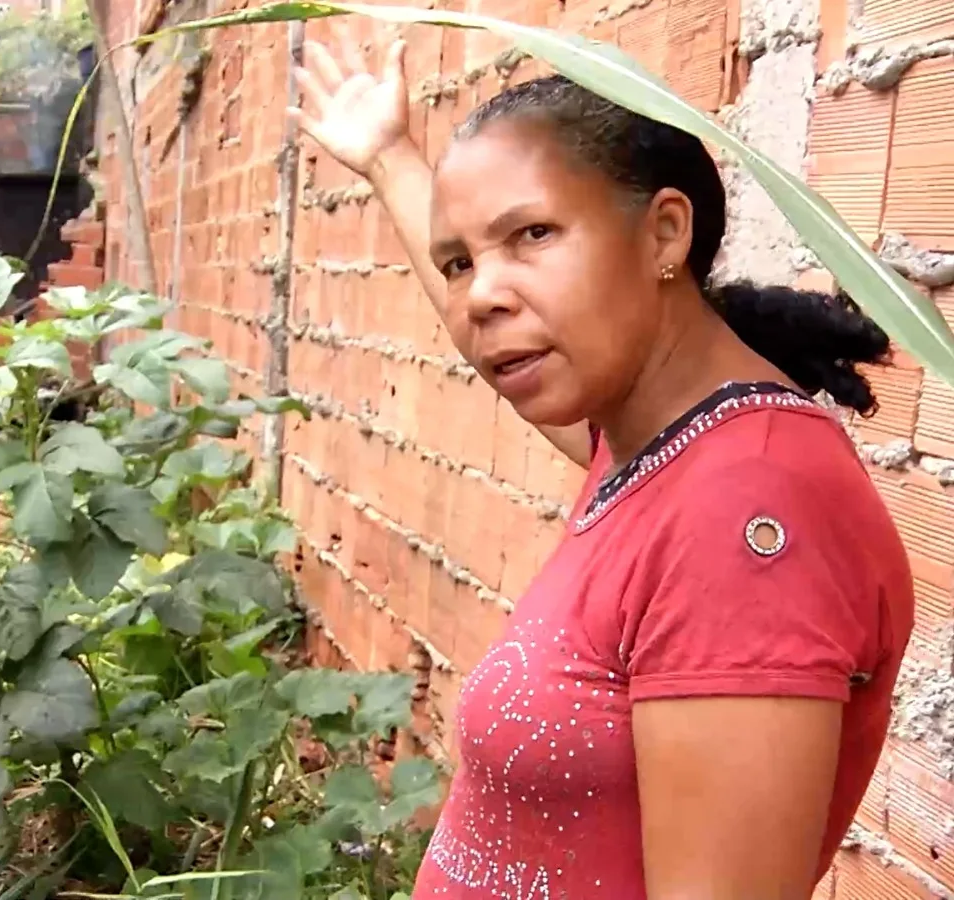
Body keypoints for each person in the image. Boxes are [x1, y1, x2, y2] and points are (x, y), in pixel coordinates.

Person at [289, 24, 915, 900]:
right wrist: (390, 157)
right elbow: (500, 317)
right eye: (461, 264)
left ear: (665, 233)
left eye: (534, 234)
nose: (482, 298)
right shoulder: (655, 444)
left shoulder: (747, 517)